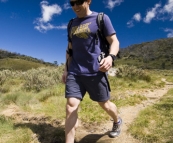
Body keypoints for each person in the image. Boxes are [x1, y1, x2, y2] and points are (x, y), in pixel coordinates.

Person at [61, 0, 122, 142]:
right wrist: (66, 70)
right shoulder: (71, 24)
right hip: (75, 72)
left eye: (78, 2)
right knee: (71, 107)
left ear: (88, 1)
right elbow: (70, 49)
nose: (75, 6)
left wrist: (110, 57)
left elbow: (114, 41)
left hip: (96, 72)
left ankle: (117, 121)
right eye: (72, 3)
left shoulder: (101, 18)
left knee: (105, 104)